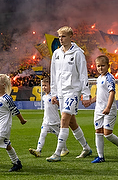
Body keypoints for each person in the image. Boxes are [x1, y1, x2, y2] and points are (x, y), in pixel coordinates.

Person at [46, 26, 92, 162]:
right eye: (59, 36)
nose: (61, 39)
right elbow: (53, 75)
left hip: (73, 91)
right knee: (71, 122)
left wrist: (86, 94)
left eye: (64, 36)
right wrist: (53, 93)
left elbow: (84, 74)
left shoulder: (78, 53)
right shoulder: (56, 54)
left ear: (71, 37)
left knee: (64, 119)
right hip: (61, 92)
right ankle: (86, 148)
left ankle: (57, 153)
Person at [89, 55, 118, 163]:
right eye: (98, 66)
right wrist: (91, 101)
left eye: (102, 66)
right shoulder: (99, 78)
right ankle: (100, 157)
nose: (100, 68)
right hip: (98, 109)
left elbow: (112, 93)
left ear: (108, 66)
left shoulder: (109, 78)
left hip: (108, 109)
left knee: (108, 134)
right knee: (98, 132)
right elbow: (100, 94)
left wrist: (108, 107)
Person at [29, 77, 69, 157]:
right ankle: (38, 150)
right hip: (46, 121)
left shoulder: (54, 96)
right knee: (42, 134)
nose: (44, 87)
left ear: (51, 86)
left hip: (55, 121)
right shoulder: (44, 97)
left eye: (45, 85)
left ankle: (64, 149)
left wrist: (57, 102)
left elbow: (61, 105)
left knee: (59, 135)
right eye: (43, 85)